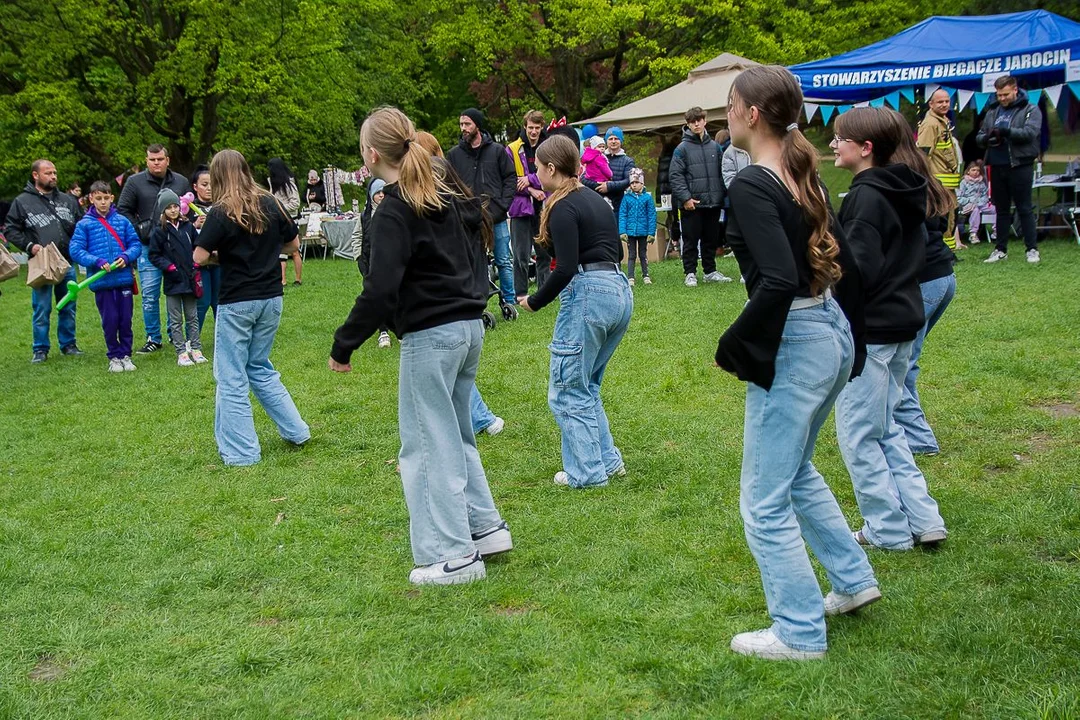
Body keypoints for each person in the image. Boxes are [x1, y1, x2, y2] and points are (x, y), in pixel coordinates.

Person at [717, 64, 879, 662]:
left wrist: (734, 345)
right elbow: (847, 267)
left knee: (762, 499)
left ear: (752, 113)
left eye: (730, 104)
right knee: (798, 470)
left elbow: (779, 279)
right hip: (826, 329)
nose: (724, 114)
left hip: (803, 337)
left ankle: (799, 633)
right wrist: (851, 342)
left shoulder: (755, 182)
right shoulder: (798, 172)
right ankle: (854, 579)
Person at [330, 107, 509, 586]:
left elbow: (379, 287)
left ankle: (453, 556)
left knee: (427, 445)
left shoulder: (396, 207)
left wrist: (343, 345)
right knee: (455, 432)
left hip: (434, 336)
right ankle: (485, 528)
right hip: (466, 328)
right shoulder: (443, 195)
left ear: (370, 155)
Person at [830, 106, 948, 551]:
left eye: (842, 138)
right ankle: (923, 518)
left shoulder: (867, 195)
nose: (834, 144)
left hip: (876, 329)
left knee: (859, 433)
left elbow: (858, 268)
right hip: (903, 320)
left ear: (866, 148)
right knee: (887, 427)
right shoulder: (903, 188)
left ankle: (887, 528)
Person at [517, 133, 633, 488]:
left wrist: (534, 301)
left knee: (567, 389)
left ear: (552, 169)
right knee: (587, 386)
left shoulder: (563, 206)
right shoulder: (596, 201)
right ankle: (609, 462)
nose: (536, 175)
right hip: (618, 291)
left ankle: (586, 474)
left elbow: (564, 267)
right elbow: (620, 253)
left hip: (589, 294)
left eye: (537, 169)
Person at [194, 149, 310, 466]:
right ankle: (297, 431)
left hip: (237, 300)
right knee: (259, 366)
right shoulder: (270, 203)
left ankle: (242, 452)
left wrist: (224, 256)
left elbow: (199, 257)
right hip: (271, 297)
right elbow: (293, 244)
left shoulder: (219, 212)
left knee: (231, 376)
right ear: (246, 171)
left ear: (217, 177)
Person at [890, 131, 958, 456]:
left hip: (926, 281)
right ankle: (906, 428)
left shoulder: (898, 180)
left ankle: (919, 440)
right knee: (906, 360)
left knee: (899, 363)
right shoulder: (920, 173)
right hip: (943, 277)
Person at [4, 159, 84, 363]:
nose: (53, 176)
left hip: (66, 261)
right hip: (41, 262)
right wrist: (30, 246)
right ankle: (40, 349)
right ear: (35, 175)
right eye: (48, 173)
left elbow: (81, 225)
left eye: (55, 173)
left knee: (68, 306)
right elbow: (11, 229)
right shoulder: (22, 201)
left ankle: (69, 344)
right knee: (42, 308)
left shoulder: (67, 200)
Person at [117, 144, 191, 354]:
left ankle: (173, 332)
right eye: (152, 159)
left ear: (168, 160)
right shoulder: (134, 182)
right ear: (146, 160)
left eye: (160, 159)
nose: (156, 163)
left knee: (175, 290)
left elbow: (188, 208)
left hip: (174, 245)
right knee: (150, 293)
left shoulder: (181, 181)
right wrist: (140, 230)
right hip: (148, 246)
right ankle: (153, 336)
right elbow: (123, 210)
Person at [447, 107, 517, 316]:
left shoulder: (496, 151)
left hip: (496, 216)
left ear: (477, 125)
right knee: (472, 262)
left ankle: (509, 301)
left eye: (467, 124)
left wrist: (503, 204)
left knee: (503, 260)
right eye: (461, 124)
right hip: (468, 219)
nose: (463, 128)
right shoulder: (454, 155)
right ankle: (475, 303)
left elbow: (510, 178)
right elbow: (449, 184)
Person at [68, 181, 142, 372]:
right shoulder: (84, 224)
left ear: (112, 198)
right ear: (91, 199)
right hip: (102, 281)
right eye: (98, 198)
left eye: (106, 198)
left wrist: (126, 257)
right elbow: (75, 250)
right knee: (110, 319)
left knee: (125, 319)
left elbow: (135, 244)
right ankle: (114, 356)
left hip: (123, 279)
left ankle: (126, 354)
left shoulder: (122, 221)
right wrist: (96, 261)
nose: (102, 202)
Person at [977, 75, 1042, 264]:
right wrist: (986, 138)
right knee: (1001, 209)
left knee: (1024, 207)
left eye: (1005, 94)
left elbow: (1030, 133)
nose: (1002, 98)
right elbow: (979, 135)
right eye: (999, 95)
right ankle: (1000, 249)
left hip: (1020, 164)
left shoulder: (1030, 109)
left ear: (1015, 90)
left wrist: (1007, 132)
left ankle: (1031, 249)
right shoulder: (993, 111)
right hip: (997, 165)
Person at [671, 106, 731, 287]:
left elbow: (723, 172)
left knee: (711, 239)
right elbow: (675, 175)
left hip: (713, 202)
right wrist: (686, 198)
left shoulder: (715, 147)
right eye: (692, 121)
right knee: (690, 240)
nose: (696, 124)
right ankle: (690, 272)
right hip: (692, 204)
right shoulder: (681, 149)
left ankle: (710, 271)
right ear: (688, 124)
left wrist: (722, 195)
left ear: (705, 121)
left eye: (699, 120)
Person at [148, 190, 205, 367]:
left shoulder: (188, 227)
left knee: (192, 316)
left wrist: (196, 263)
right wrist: (169, 267)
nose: (173, 210)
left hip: (190, 278)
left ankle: (195, 347)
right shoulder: (159, 231)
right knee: (175, 318)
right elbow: (154, 255)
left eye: (175, 206)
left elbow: (198, 245)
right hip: (173, 280)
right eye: (169, 207)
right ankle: (181, 351)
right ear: (163, 210)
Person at [507, 110, 550, 295]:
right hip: (520, 207)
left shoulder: (548, 147)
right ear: (524, 127)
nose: (533, 131)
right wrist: (531, 189)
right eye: (530, 127)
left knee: (544, 251)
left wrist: (530, 179)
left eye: (537, 128)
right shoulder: (512, 149)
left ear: (542, 128)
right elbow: (509, 179)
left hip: (544, 205)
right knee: (520, 255)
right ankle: (521, 293)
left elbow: (551, 174)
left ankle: (545, 290)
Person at [917, 88, 963, 247]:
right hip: (938, 180)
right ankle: (944, 251)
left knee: (951, 215)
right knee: (943, 216)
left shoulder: (941, 121)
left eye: (947, 101)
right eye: (940, 102)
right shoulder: (930, 124)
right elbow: (923, 153)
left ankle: (949, 250)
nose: (944, 104)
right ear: (931, 104)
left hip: (947, 180)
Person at [352, 178, 394, 348]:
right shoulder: (364, 217)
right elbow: (357, 237)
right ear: (371, 195)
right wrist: (357, 256)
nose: (381, 195)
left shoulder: (395, 212)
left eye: (384, 192)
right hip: (370, 263)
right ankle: (382, 330)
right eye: (377, 193)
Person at [187, 166, 220, 329]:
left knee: (219, 301)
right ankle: (192, 340)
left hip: (220, 262)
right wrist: (194, 225)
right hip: (199, 264)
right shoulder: (187, 210)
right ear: (195, 187)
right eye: (204, 184)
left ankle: (224, 336)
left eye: (212, 184)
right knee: (202, 301)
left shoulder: (221, 207)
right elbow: (181, 236)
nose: (209, 188)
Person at [581, 127, 636, 217]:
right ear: (606, 141)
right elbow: (584, 178)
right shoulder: (595, 157)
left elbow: (628, 180)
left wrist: (608, 186)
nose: (613, 141)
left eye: (616, 138)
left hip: (617, 207)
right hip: (596, 205)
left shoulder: (628, 161)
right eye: (610, 139)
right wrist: (598, 185)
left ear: (621, 141)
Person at [618, 168, 656, 285]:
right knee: (631, 255)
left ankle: (646, 275)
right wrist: (622, 231)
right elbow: (622, 215)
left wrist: (651, 232)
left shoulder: (647, 198)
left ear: (642, 183)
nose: (634, 185)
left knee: (643, 254)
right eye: (632, 183)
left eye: (636, 182)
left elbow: (652, 215)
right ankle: (630, 277)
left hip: (643, 232)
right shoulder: (626, 198)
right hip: (630, 232)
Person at [268, 158, 302, 286]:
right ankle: (282, 279)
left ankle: (298, 279)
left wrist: (280, 209)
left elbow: (296, 203)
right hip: (279, 220)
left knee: (294, 250)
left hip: (291, 219)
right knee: (280, 249)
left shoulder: (289, 183)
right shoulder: (273, 184)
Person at [956, 160, 993, 244]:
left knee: (995, 209)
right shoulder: (964, 183)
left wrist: (981, 202)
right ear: (968, 171)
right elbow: (959, 197)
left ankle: (996, 231)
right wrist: (970, 200)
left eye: (978, 170)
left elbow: (985, 195)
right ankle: (973, 234)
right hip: (968, 205)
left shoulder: (981, 183)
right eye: (973, 170)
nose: (976, 172)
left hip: (981, 204)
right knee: (975, 210)